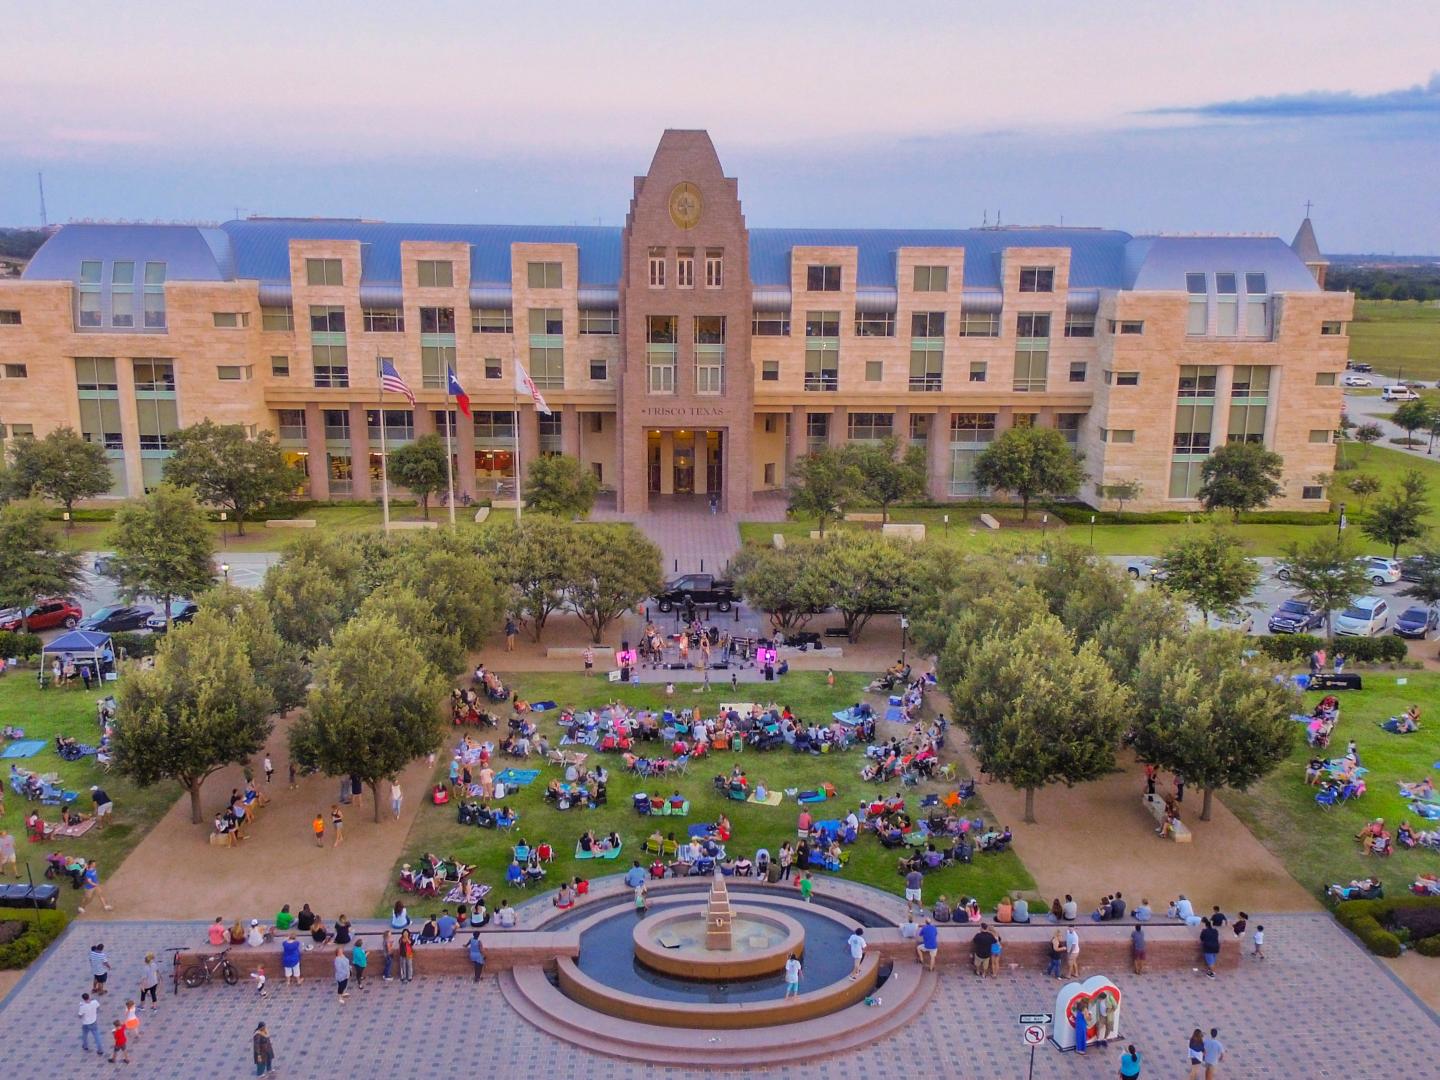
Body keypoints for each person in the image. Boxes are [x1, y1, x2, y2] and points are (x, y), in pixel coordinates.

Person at [78, 992, 103, 1057]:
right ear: (89, 997)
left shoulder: (82, 1006)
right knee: (97, 1036)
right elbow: (98, 1008)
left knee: (84, 1035)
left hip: (86, 1023)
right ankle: (100, 1050)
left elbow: (80, 1015)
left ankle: (85, 1046)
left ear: (83, 999)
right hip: (94, 1022)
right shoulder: (94, 1002)